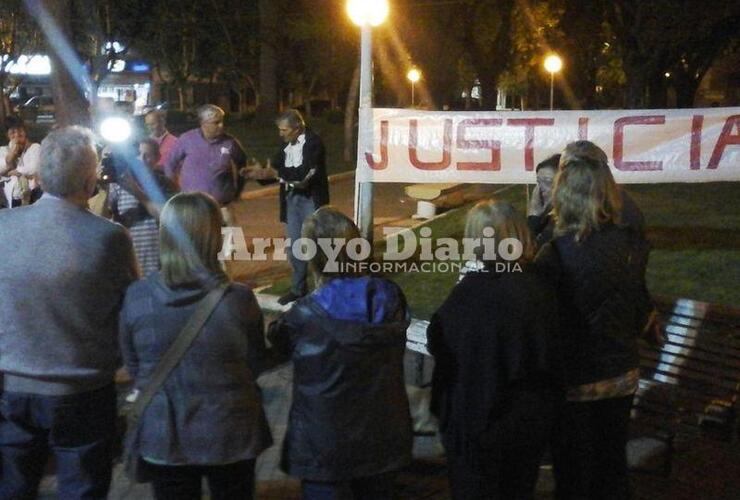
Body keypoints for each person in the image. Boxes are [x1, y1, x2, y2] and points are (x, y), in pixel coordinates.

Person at [0, 126, 138, 499]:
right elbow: (131, 307)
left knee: (12, 487)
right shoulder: (109, 238)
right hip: (83, 389)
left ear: (40, 175)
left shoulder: (3, 228)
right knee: (82, 489)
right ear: (91, 179)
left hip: (12, 386)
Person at [119, 192, 272, 500]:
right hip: (231, 431)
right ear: (214, 237)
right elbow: (255, 363)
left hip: (165, 433)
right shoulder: (239, 299)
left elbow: (134, 366)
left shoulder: (138, 296)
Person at [535, 152, 657, 500]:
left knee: (573, 469)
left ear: (564, 195)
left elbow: (543, 322)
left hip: (574, 379)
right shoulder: (632, 245)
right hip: (621, 372)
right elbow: (636, 307)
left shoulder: (554, 253)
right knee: (612, 462)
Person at [268, 207, 412, 499]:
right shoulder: (390, 297)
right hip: (383, 439)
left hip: (325, 447)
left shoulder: (303, 315)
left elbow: (275, 344)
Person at [428, 200, 560, 500]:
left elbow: (442, 342)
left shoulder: (471, 294)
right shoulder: (540, 286)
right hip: (529, 422)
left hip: (481, 425)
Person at [244, 109, 329, 305]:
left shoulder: (313, 143)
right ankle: (298, 289)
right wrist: (259, 174)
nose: (280, 134)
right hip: (292, 200)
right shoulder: (286, 148)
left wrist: (273, 173)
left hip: (310, 199)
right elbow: (275, 171)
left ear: (297, 128)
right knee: (294, 247)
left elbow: (303, 174)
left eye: (284, 130)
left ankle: (323, 290)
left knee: (314, 246)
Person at [164, 104, 247, 225]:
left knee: (232, 241)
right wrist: (174, 191)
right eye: (216, 122)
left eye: (222, 121)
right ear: (204, 123)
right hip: (194, 208)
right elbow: (170, 164)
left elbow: (242, 166)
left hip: (222, 207)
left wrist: (238, 190)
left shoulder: (231, 143)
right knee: (197, 242)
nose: (221, 126)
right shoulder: (187, 139)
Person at [107, 138, 178, 275]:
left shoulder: (165, 184)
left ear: (157, 158)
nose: (141, 159)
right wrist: (103, 186)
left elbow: (169, 217)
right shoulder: (118, 185)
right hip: (130, 258)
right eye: (138, 154)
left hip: (159, 261)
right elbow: (104, 216)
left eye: (147, 155)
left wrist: (136, 191)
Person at [0, 116, 42, 208]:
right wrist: (11, 155)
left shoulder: (35, 147)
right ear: (7, 135)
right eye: (13, 133)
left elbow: (33, 168)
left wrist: (14, 171)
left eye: (20, 131)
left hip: (32, 196)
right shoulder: (3, 150)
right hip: (10, 199)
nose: (17, 135)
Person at [527, 154, 560, 248]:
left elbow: (529, 250)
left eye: (548, 182)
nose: (541, 189)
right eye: (538, 182)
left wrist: (534, 218)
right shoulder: (548, 219)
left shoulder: (562, 224)